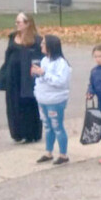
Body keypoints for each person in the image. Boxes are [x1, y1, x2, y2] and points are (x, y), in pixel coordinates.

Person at [0, 12, 42, 143]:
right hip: (13, 75)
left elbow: (39, 58)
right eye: (16, 22)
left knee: (28, 104)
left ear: (27, 24)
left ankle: (31, 133)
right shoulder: (12, 37)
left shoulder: (36, 40)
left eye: (19, 22)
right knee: (13, 104)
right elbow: (8, 55)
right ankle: (17, 133)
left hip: (27, 77)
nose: (17, 25)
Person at [32, 35, 71, 165]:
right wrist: (37, 74)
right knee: (47, 126)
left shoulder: (61, 63)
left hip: (55, 100)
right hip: (43, 98)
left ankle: (63, 154)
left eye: (43, 43)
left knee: (57, 126)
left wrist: (43, 74)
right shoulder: (44, 60)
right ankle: (48, 152)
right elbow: (42, 79)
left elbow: (60, 82)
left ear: (50, 46)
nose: (41, 45)